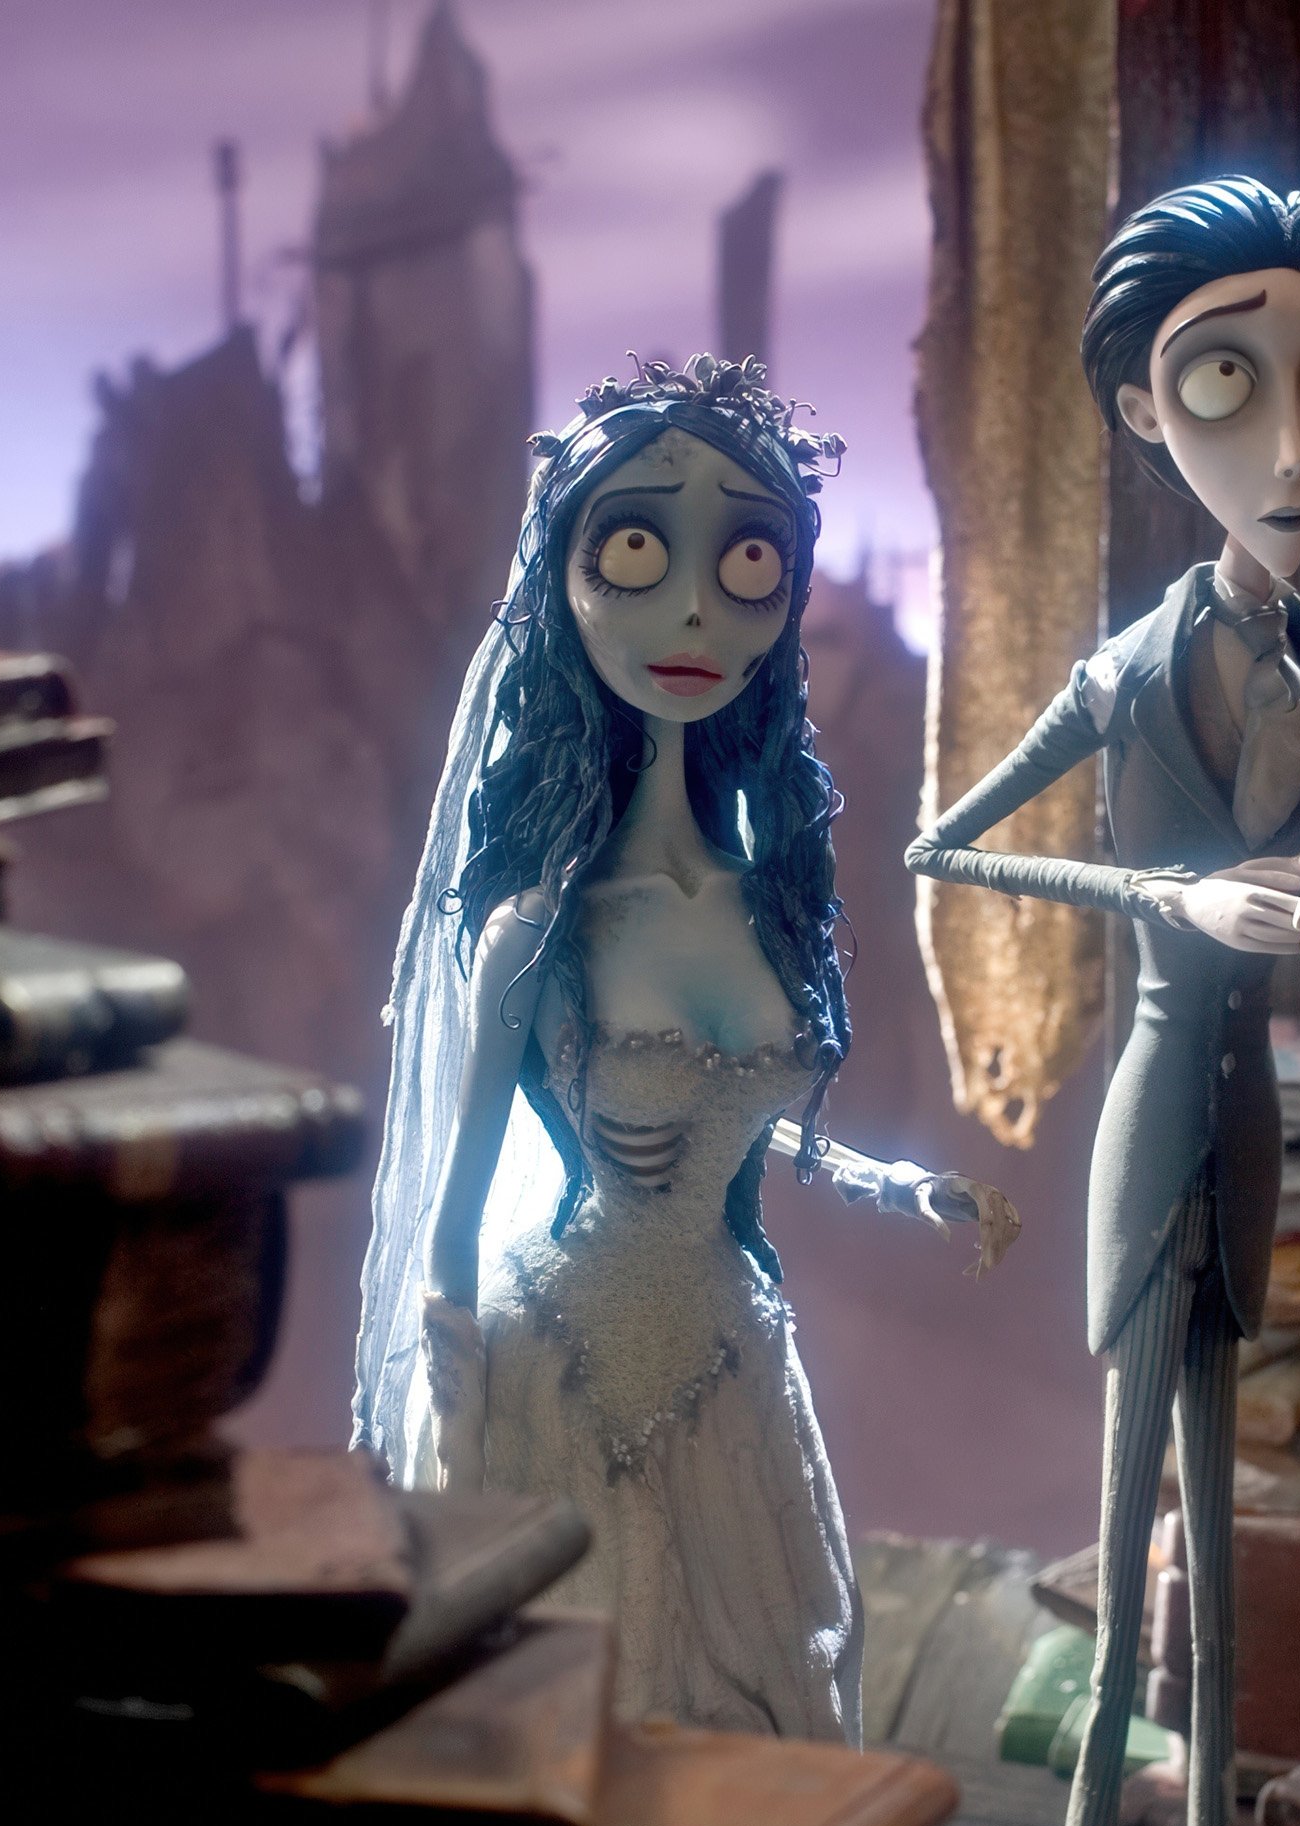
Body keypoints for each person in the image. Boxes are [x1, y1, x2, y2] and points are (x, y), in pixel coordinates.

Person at [908, 175, 1300, 1826]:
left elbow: (1287, 850)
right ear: (1144, 411)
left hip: (1248, 1122)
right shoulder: (1123, 672)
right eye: (1226, 382)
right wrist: (1170, 896)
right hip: (1155, 1120)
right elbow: (943, 849)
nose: (1294, 443)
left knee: (1224, 1592)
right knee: (1134, 1561)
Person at [355, 354, 1009, 1744]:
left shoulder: (763, 901)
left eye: (748, 559)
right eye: (640, 552)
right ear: (566, 576)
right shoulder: (540, 930)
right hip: (556, 1373)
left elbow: (753, 1123)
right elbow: (451, 1226)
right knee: (585, 1714)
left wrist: (905, 1188)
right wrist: (453, 1432)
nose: (698, 609)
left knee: (760, 1698)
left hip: (726, 1363)